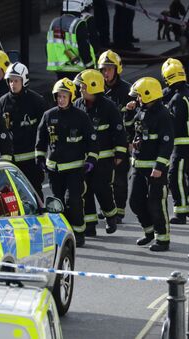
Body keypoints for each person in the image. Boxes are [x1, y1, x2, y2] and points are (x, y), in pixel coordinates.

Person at [36, 78, 98, 247]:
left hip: (75, 168)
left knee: (74, 200)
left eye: (64, 96)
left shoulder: (81, 117)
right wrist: (40, 158)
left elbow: (92, 140)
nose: (61, 99)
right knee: (57, 203)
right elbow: (41, 139)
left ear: (71, 97)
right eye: (59, 96)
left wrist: (91, 159)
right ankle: (63, 233)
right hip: (54, 169)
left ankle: (79, 233)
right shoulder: (48, 115)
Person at [74, 69, 127, 235]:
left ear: (93, 86)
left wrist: (119, 153)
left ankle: (111, 215)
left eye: (83, 86)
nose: (80, 89)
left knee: (102, 188)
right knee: (86, 191)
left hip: (104, 159)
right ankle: (90, 225)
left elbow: (119, 131)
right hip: (85, 159)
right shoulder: (77, 105)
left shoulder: (108, 107)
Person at [127, 77, 174, 251]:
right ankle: (149, 231)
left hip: (155, 169)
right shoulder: (140, 111)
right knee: (134, 201)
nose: (137, 99)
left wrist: (159, 167)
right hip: (138, 166)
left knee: (156, 203)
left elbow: (167, 143)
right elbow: (130, 130)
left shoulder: (163, 115)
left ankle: (163, 238)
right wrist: (128, 112)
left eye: (139, 96)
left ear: (148, 94)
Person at [161, 60, 189, 224]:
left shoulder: (177, 98)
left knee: (175, 176)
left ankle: (181, 211)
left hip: (181, 144)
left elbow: (175, 123)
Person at [0, 62, 48, 199]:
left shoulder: (37, 101)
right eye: (11, 81)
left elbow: (44, 131)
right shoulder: (3, 102)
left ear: (24, 80)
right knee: (12, 195)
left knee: (35, 194)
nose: (13, 84)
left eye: (16, 80)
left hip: (32, 160)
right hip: (12, 160)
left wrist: (42, 155)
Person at [98, 50, 133, 223]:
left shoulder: (127, 91)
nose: (106, 73)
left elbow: (136, 118)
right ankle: (108, 209)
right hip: (103, 143)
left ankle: (119, 211)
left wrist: (131, 140)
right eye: (103, 69)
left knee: (119, 179)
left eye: (109, 69)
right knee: (104, 179)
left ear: (117, 69)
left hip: (122, 142)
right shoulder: (97, 89)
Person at [46, 0, 96, 80]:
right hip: (77, 69)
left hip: (59, 69)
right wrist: (90, 67)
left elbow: (48, 46)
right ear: (80, 6)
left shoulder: (54, 23)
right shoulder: (79, 24)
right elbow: (84, 48)